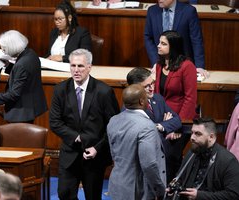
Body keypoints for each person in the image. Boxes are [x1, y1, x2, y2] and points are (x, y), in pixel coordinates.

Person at [49, 48, 120, 200]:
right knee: (64, 194)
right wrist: (76, 137)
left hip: (94, 156)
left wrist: (97, 148)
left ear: (89, 67)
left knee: (93, 197)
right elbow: (55, 122)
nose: (76, 70)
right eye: (72, 65)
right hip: (69, 153)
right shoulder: (60, 90)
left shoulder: (104, 91)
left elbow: (114, 126)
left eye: (80, 66)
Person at [107, 84, 166, 200]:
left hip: (116, 184)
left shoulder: (113, 120)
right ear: (141, 101)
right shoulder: (147, 126)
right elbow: (148, 164)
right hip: (138, 191)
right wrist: (159, 189)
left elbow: (114, 154)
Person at [155, 30, 198, 182]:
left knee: (171, 156)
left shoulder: (187, 66)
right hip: (162, 118)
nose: (158, 46)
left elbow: (190, 98)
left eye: (163, 43)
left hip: (181, 121)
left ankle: (173, 191)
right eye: (159, 42)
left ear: (173, 46)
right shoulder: (160, 65)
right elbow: (157, 95)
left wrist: (177, 125)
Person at [127, 67, 182, 183]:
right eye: (146, 86)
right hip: (144, 163)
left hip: (162, 156)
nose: (151, 88)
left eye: (152, 83)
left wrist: (161, 126)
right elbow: (143, 133)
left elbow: (177, 120)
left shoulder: (158, 98)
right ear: (135, 89)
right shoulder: (129, 108)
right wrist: (166, 128)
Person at [166, 117, 239, 200]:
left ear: (211, 137)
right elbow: (181, 178)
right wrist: (175, 187)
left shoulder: (228, 160)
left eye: (198, 134)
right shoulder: (192, 153)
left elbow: (233, 194)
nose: (192, 138)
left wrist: (200, 196)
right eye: (192, 133)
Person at [0, 30, 47, 123]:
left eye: (4, 49)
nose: (4, 52)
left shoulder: (21, 64)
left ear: (12, 47)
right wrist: (8, 65)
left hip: (22, 112)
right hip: (30, 106)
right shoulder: (31, 54)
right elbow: (24, 75)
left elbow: (14, 94)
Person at [144, 0, 208, 78]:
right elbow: (148, 37)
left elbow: (196, 39)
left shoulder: (189, 11)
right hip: (161, 65)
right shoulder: (152, 11)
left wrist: (199, 66)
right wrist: (155, 62)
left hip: (183, 64)